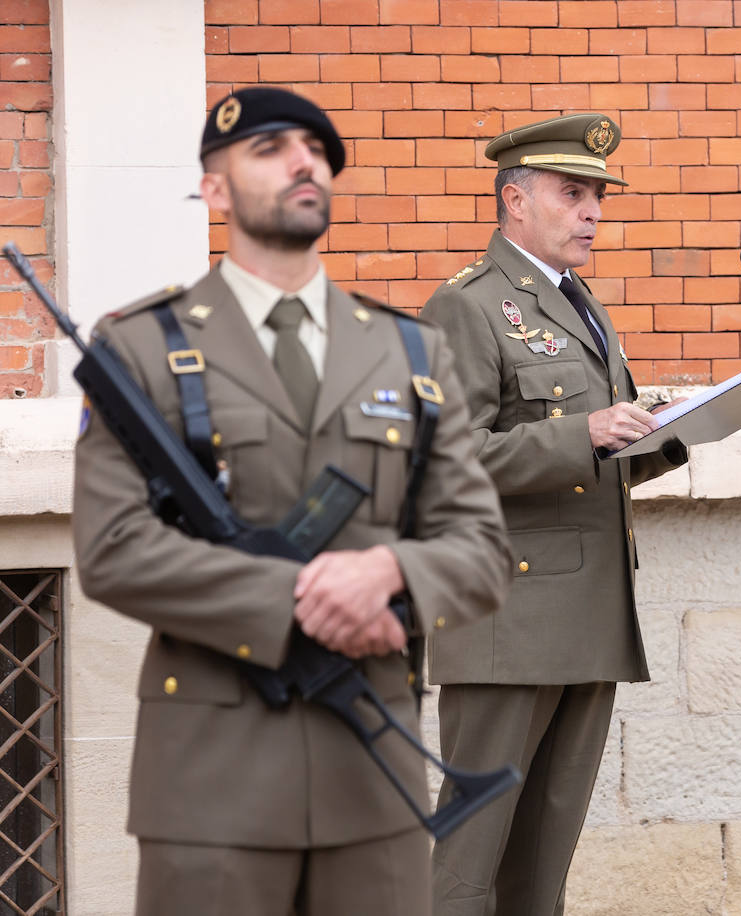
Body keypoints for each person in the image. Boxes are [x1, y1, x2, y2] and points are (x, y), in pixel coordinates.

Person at [71, 86, 511, 916]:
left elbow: (481, 548)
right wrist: (301, 600)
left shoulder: (410, 350)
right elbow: (115, 547)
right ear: (215, 189)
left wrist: (389, 571)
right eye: (269, 149)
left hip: (372, 783)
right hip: (210, 786)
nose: (304, 160)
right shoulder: (141, 347)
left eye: (315, 148)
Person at [420, 111, 687, 915]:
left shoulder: (577, 304)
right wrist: (585, 430)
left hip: (586, 610)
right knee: (469, 860)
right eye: (573, 194)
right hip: (507, 619)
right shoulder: (467, 305)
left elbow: (591, 457)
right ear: (514, 200)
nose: (593, 212)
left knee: (543, 859)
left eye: (597, 196)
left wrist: (670, 433)